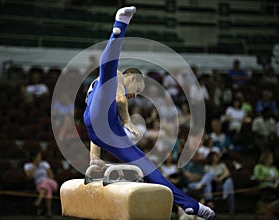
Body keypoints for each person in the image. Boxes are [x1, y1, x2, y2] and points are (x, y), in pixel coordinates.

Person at [83, 6, 215, 219]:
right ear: (134, 78)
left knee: (147, 167)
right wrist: (127, 121)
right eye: (138, 91)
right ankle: (120, 26)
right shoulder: (117, 77)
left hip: (102, 129)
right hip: (106, 120)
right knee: (109, 68)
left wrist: (93, 158)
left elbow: (95, 124)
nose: (136, 96)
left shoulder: (109, 97)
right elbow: (119, 98)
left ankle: (189, 205)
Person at [24, 151, 58, 217]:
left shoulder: (44, 164)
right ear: (34, 158)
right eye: (38, 157)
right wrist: (34, 166)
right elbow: (29, 177)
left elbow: (51, 175)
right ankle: (49, 212)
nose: (40, 158)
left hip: (51, 183)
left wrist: (46, 180)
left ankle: (38, 201)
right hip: (39, 185)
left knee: (46, 183)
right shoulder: (28, 166)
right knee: (47, 190)